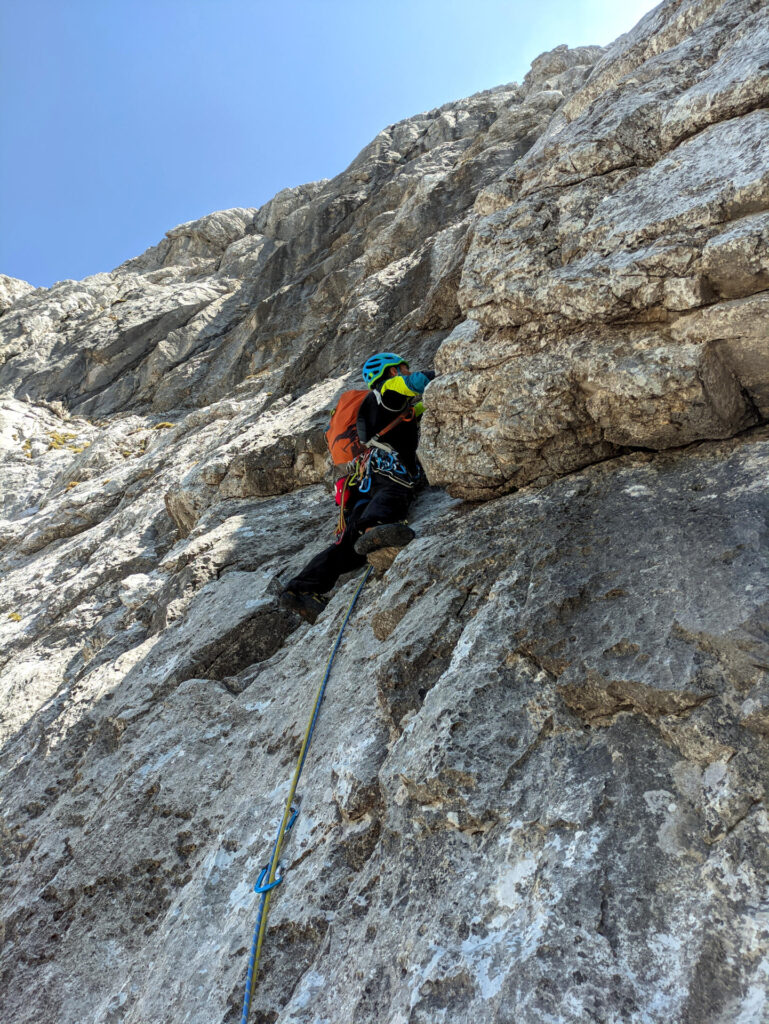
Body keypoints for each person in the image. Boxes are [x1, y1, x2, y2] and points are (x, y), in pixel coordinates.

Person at [280, 352, 435, 622]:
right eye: (401, 369)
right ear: (390, 372)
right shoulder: (387, 392)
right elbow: (418, 382)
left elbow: (416, 410)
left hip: (361, 480)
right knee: (394, 493)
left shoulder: (388, 409)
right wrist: (448, 374)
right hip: (386, 468)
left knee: (348, 545)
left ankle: (302, 588)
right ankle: (375, 528)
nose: (404, 373)